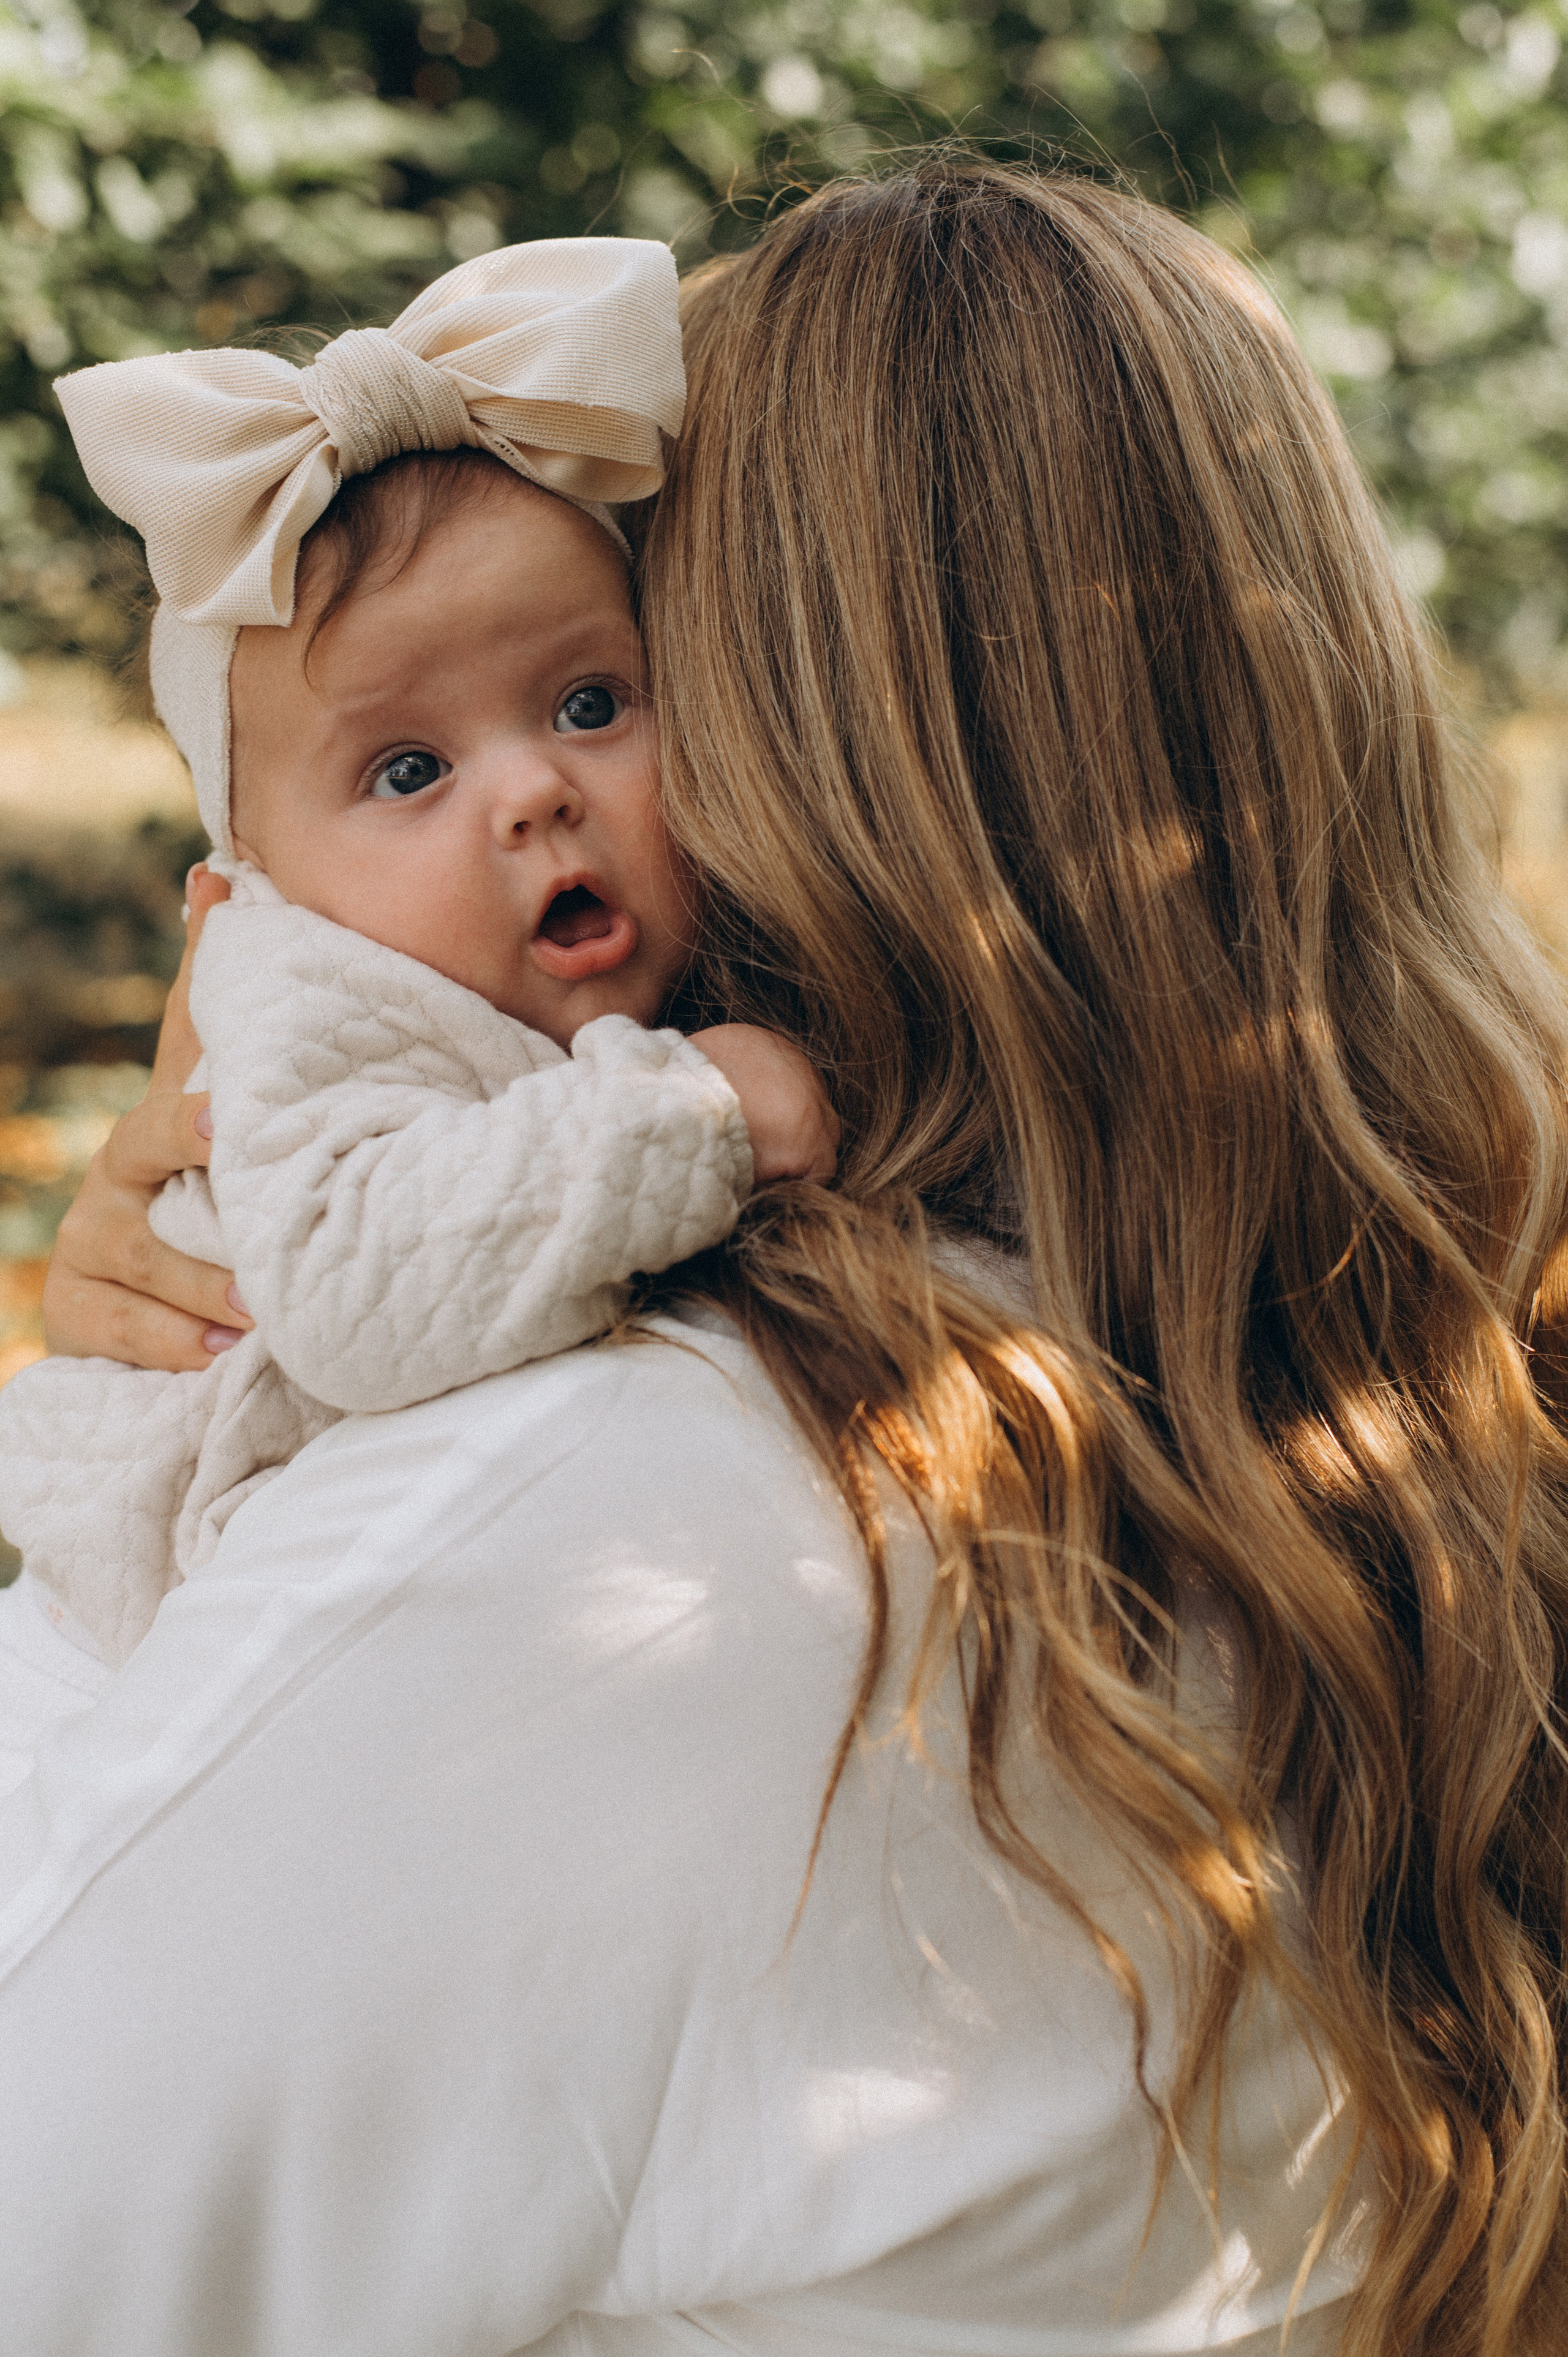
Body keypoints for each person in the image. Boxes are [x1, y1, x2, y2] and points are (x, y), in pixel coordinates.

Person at [6, 157, 1567, 2355]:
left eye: (604, 690)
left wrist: (124, 1559)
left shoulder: (634, 1542)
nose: (540, 804)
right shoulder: (1407, 1413)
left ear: (776, 741)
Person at [0, 238, 835, 1686]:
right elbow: (349, 1292)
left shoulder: (561, 962)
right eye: (405, 770)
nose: (530, 792)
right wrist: (694, 1113)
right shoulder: (309, 993)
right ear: (246, 881)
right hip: (117, 1683)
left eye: (588, 701)